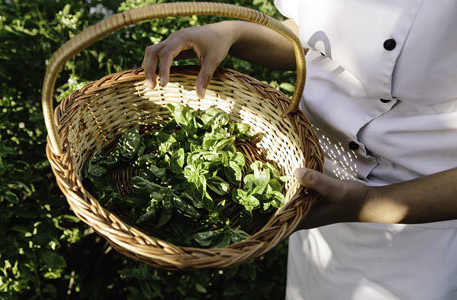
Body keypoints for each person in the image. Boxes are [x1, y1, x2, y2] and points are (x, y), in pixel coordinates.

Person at [142, 1, 457, 299]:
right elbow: (309, 34)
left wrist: (368, 202)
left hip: (419, 219)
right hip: (309, 177)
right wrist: (230, 33)